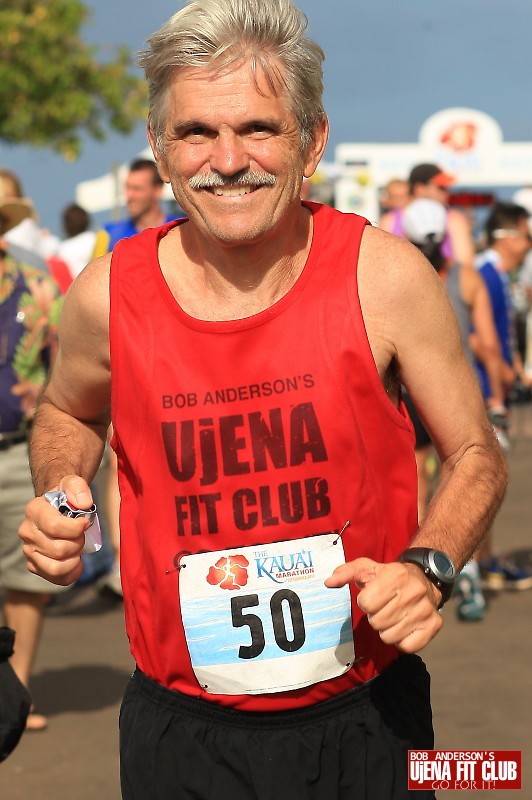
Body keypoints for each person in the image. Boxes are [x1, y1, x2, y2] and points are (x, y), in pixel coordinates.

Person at [19, 1, 507, 798]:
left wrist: (428, 566)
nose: (228, 159)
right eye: (196, 133)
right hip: (178, 726)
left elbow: (477, 453)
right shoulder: (109, 294)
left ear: (312, 140)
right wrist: (60, 485)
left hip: (366, 715)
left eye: (258, 129)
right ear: (158, 147)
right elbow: (70, 411)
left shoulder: (382, 277)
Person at [400, 198, 505, 621]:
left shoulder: (398, 275)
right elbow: (491, 344)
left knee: (418, 489)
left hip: (409, 396)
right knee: (469, 475)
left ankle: (419, 579)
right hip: (460, 395)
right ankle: (471, 575)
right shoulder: (467, 278)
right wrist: (497, 397)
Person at [0, 187, 65, 732]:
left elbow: (65, 373)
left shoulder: (39, 288)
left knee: (26, 579)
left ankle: (15, 695)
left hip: (18, 449)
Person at [474, 202, 532, 592]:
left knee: (487, 480)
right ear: (507, 237)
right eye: (527, 236)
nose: (529, 245)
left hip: (491, 389)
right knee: (482, 480)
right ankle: (479, 569)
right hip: (482, 392)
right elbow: (482, 340)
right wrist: (502, 382)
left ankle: (487, 564)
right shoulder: (487, 275)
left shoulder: (498, 275)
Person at [381, 163, 475, 270]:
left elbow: (466, 269)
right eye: (441, 187)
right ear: (419, 189)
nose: (447, 193)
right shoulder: (390, 221)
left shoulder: (454, 219)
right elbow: (381, 267)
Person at [92, 158, 178, 257]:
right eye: (127, 187)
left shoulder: (179, 230)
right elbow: (94, 270)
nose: (129, 195)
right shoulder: (108, 235)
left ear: (158, 190)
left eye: (137, 189)